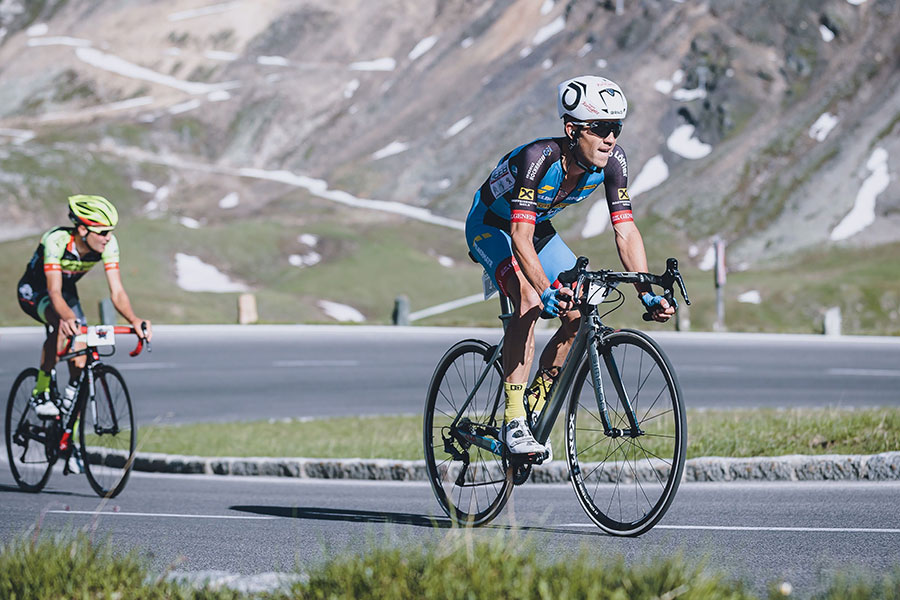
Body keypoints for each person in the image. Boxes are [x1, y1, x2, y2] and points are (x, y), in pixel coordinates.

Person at [465, 76, 675, 456]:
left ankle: (533, 402)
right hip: (492, 226)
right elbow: (519, 237)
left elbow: (625, 230)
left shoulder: (613, 163)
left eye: (616, 128)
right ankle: (513, 420)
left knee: (579, 313)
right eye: (601, 129)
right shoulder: (538, 159)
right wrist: (545, 289)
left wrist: (646, 291)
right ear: (571, 129)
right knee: (528, 297)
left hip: (537, 226)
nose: (610, 138)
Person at [16, 195, 152, 423]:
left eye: (110, 231)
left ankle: (71, 441)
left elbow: (117, 291)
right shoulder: (56, 241)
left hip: (66, 292)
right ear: (82, 230)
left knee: (80, 358)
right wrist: (68, 317)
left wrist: (134, 319)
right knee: (61, 325)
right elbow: (54, 292)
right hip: (36, 290)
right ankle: (40, 391)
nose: (108, 238)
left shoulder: (108, 244)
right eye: (102, 232)